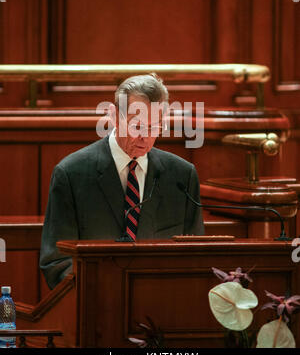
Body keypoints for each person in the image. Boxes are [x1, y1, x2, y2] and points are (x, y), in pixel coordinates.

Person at [40, 73, 204, 289]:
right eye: (137, 126)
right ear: (114, 116)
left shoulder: (182, 176)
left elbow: (197, 257)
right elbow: (57, 262)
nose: (145, 137)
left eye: (155, 127)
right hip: (94, 304)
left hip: (162, 306)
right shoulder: (71, 174)